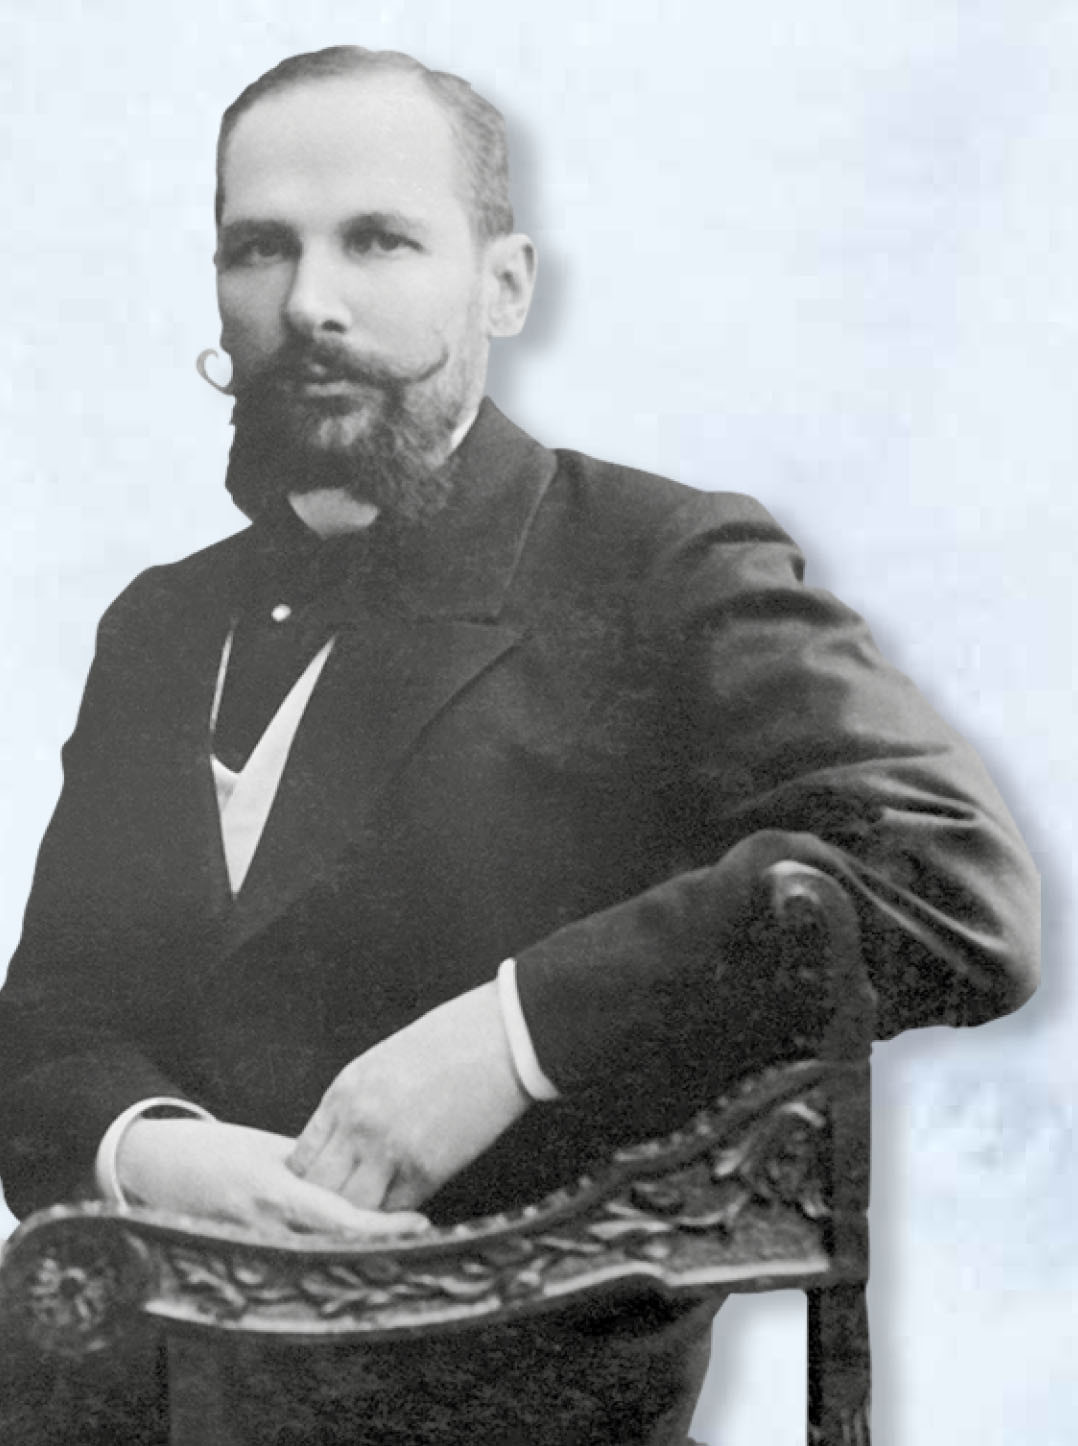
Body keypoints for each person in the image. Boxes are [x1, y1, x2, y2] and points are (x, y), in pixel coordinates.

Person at [0, 44, 1038, 1445]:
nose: (309, 302)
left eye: (379, 239)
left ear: (504, 283)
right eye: (260, 248)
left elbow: (950, 886)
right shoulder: (163, 626)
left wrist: (510, 1035)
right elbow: (50, 1030)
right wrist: (163, 1154)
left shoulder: (658, 564)